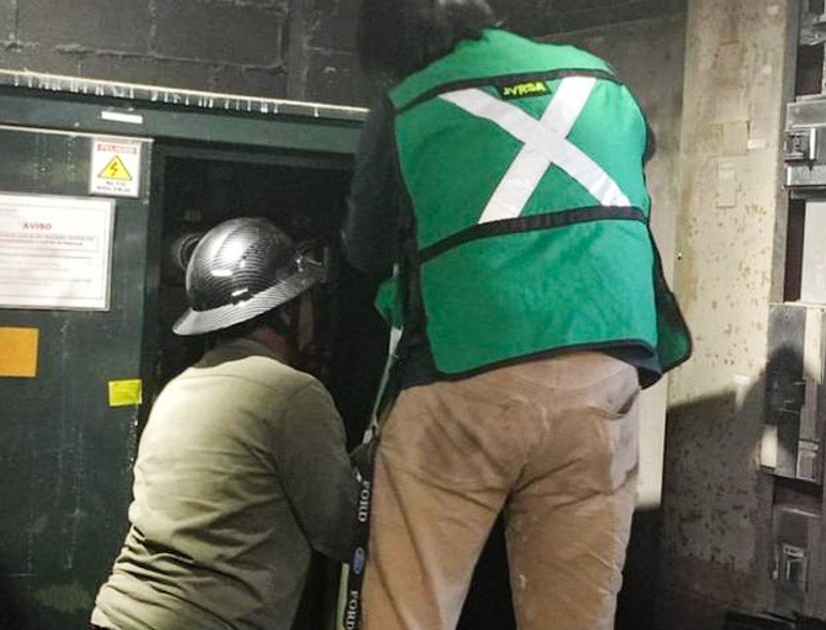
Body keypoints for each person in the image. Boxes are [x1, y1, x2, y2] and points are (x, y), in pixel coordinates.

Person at [343, 1, 692, 629]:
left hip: (464, 377)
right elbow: (643, 147)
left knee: (410, 612)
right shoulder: (600, 78)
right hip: (603, 375)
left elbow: (363, 248)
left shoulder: (407, 102)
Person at [91, 217, 361, 630]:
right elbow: (342, 530)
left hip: (120, 615)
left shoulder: (179, 389)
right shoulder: (292, 394)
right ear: (285, 311)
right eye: (304, 297)